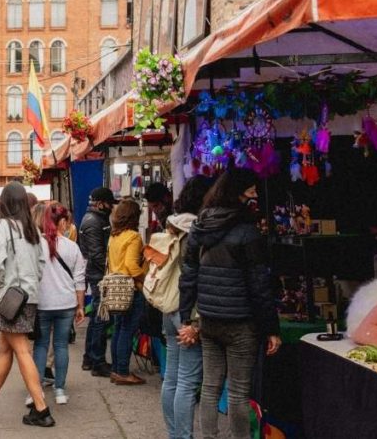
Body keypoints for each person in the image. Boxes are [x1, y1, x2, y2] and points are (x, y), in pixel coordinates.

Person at [178, 168, 281, 439]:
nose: (255, 195)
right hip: (240, 322)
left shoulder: (200, 225)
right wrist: (271, 327)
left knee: (210, 387)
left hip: (209, 319)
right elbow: (260, 284)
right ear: (238, 193)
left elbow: (188, 274)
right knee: (238, 392)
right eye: (251, 190)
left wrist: (187, 316)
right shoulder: (247, 232)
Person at [0, 182, 55, 427]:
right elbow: (41, 264)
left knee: (20, 350)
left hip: (9, 298)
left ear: (5, 202)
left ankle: (41, 408)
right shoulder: (32, 229)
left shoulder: (2, 226)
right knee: (7, 348)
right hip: (28, 297)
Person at [157, 176, 215, 439]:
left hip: (169, 308)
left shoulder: (173, 226)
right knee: (187, 381)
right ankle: (182, 436)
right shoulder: (197, 230)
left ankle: (174, 434)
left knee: (172, 377)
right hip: (188, 312)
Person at [32, 202, 86, 405]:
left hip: (41, 304)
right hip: (66, 304)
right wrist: (80, 306)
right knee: (61, 346)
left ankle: (35, 391)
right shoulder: (72, 247)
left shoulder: (35, 245)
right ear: (62, 222)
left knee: (40, 346)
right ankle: (60, 389)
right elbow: (79, 280)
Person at [106, 198, 148, 386]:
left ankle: (116, 368)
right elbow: (131, 265)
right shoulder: (133, 236)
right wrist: (145, 278)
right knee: (127, 330)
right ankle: (122, 371)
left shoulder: (114, 236)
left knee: (119, 328)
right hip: (130, 289)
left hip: (116, 289)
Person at [79, 187, 116, 377]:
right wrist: (112, 271)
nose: (111, 208)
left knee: (96, 317)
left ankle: (90, 358)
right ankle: (97, 361)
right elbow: (96, 254)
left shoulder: (94, 219)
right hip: (99, 276)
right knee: (101, 318)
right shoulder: (94, 222)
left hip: (96, 274)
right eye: (110, 204)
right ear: (101, 203)